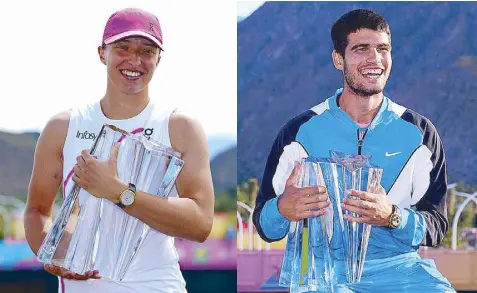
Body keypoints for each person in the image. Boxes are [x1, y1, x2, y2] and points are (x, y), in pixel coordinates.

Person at [252, 9, 455, 293]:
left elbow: (437, 226)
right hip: (319, 274)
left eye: (383, 49)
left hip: (399, 273)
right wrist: (283, 209)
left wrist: (392, 216)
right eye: (361, 49)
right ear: (339, 59)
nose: (375, 59)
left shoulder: (419, 133)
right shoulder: (298, 132)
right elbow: (265, 226)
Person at [24, 7, 214, 293]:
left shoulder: (180, 126)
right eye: (123, 47)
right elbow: (37, 210)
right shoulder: (64, 126)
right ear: (102, 53)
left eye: (147, 51)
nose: (135, 60)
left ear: (159, 59)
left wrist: (119, 192)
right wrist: (50, 253)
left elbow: (201, 223)